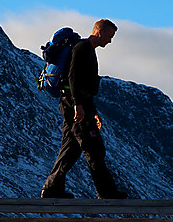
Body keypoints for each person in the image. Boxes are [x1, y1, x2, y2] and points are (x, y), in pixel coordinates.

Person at [41, 19, 128, 199]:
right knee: (93, 148)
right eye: (109, 36)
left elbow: (84, 85)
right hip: (74, 105)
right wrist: (78, 106)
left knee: (70, 150)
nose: (110, 41)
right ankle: (106, 192)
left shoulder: (85, 49)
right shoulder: (83, 48)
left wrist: (92, 110)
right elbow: (73, 78)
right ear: (100, 32)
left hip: (73, 104)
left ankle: (52, 189)